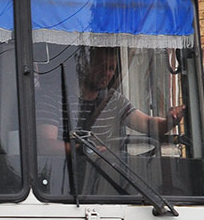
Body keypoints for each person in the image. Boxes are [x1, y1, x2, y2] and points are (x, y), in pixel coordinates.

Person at [37, 46, 183, 156]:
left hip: (101, 179)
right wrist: (84, 150)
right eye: (101, 67)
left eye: (111, 68)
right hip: (61, 181)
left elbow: (148, 124)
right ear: (83, 65)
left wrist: (169, 121)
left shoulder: (113, 100)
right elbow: (45, 145)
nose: (107, 73)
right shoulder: (53, 98)